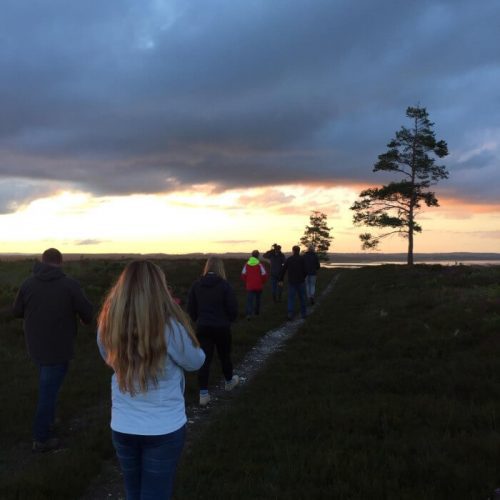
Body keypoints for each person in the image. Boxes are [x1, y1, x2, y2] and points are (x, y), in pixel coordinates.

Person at [97, 260, 205, 500]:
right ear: (159, 288)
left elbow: (108, 358)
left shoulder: (108, 324)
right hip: (163, 428)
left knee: (133, 491)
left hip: (123, 425)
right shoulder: (170, 327)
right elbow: (196, 362)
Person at [12, 248, 94, 452]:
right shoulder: (70, 285)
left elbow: (16, 311)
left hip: (36, 347)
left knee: (48, 386)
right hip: (59, 348)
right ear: (61, 262)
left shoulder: (27, 284)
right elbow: (88, 313)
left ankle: (48, 422)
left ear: (42, 261)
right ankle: (41, 438)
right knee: (48, 392)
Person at [187, 256, 239, 406]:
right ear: (220, 268)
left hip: (203, 327)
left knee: (204, 360)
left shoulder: (197, 285)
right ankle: (229, 381)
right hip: (222, 327)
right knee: (225, 356)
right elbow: (232, 308)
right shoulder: (225, 285)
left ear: (207, 267)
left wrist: (198, 320)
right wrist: (229, 320)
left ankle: (203, 394)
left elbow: (191, 308)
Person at [279, 245, 307, 320]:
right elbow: (306, 270)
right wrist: (303, 277)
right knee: (302, 298)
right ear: (299, 251)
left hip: (292, 282)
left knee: (291, 298)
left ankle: (290, 314)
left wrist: (281, 279)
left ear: (293, 251)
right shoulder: (302, 259)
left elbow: (283, 270)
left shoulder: (289, 259)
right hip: (301, 281)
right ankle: (304, 314)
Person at [241, 250, 268, 319]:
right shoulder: (260, 265)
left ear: (252, 255)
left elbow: (243, 275)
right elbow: (264, 275)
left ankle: (249, 314)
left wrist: (247, 281)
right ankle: (257, 313)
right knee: (257, 300)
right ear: (258, 256)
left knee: (250, 300)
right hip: (258, 285)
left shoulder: (246, 264)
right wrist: (262, 282)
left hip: (250, 285)